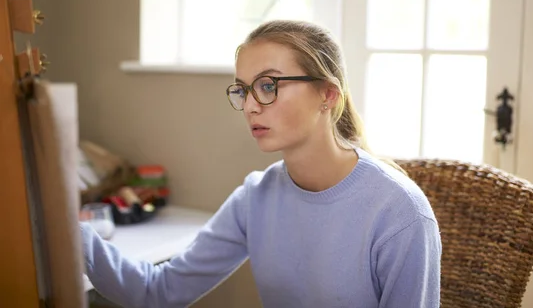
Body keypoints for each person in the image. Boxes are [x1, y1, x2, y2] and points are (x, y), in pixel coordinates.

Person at [81, 20, 442, 308]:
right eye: (242, 89)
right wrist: (69, 233)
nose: (251, 105)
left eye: (268, 86)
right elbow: (157, 292)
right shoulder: (256, 197)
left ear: (328, 95)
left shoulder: (399, 213)